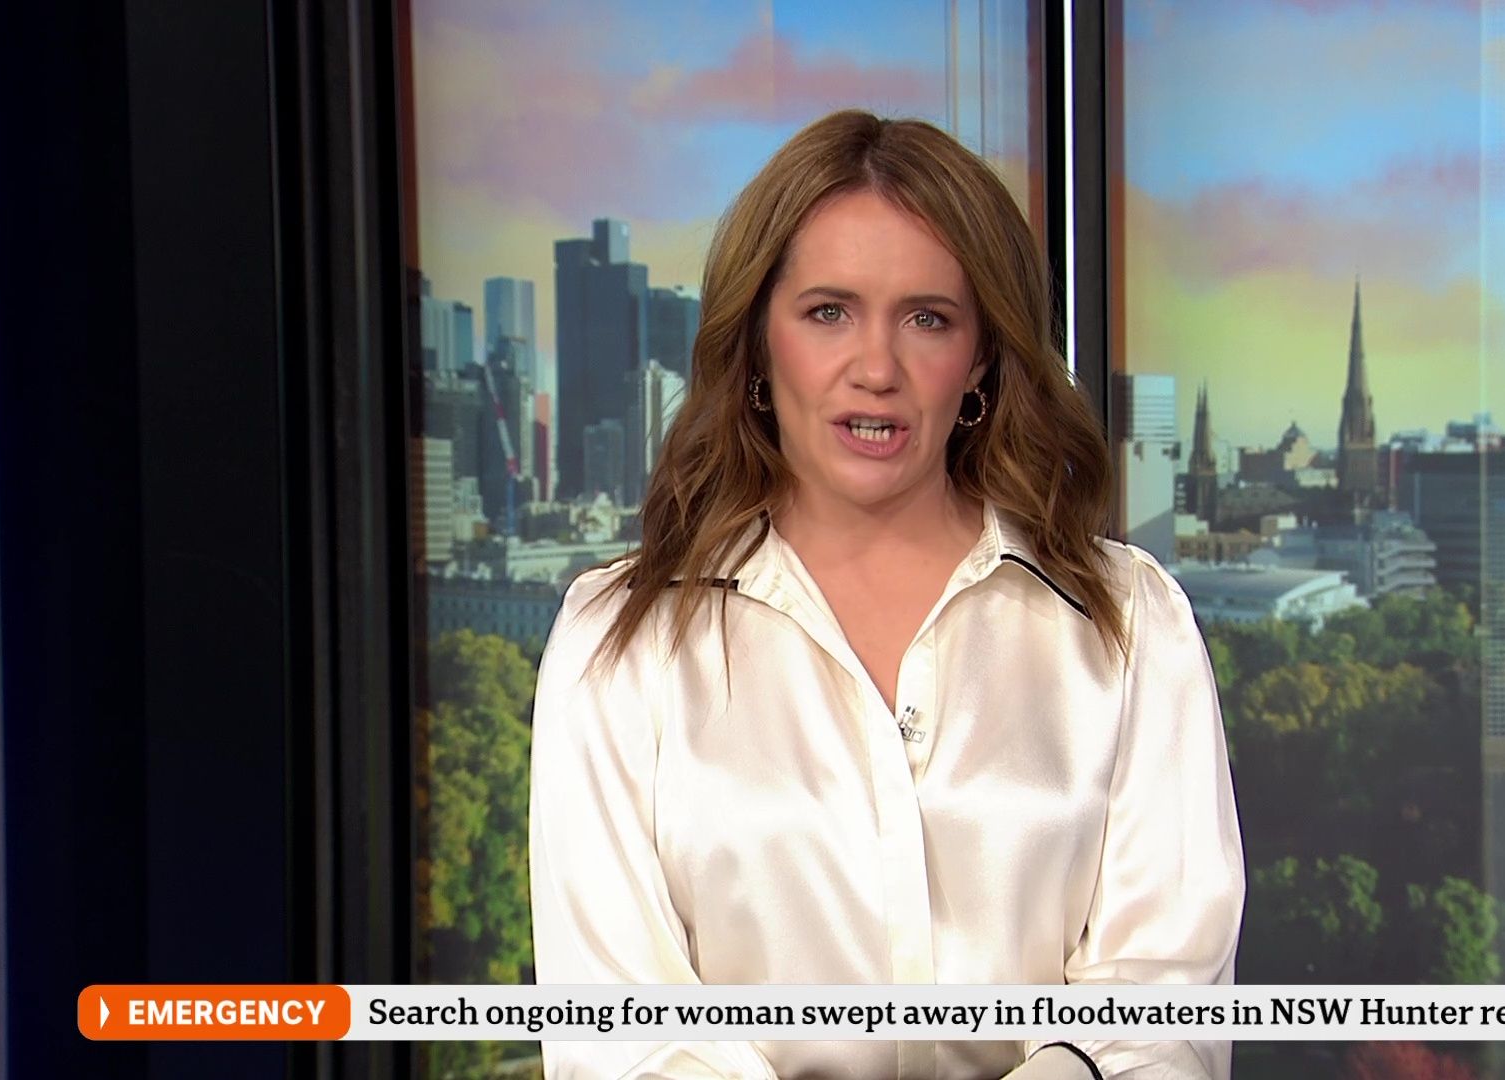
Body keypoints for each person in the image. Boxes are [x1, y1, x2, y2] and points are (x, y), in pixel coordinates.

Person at [528, 109, 1244, 1080]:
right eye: (828, 311)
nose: (876, 369)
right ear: (758, 344)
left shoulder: (1128, 623)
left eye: (928, 319)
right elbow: (622, 1035)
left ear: (981, 357)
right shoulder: (620, 641)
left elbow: (1162, 1005)